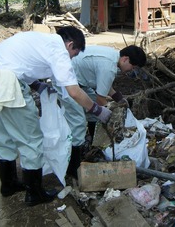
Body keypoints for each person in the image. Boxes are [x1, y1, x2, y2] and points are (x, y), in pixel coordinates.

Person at [0, 27, 112, 206]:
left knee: (1, 136)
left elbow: (22, 62)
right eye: (74, 54)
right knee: (31, 140)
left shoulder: (38, 39)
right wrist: (97, 110)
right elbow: (74, 92)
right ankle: (35, 193)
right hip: (6, 84)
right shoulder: (59, 51)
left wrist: (36, 85)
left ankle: (8, 184)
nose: (71, 58)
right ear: (70, 45)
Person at [54, 45, 147, 178]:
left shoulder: (112, 57)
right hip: (65, 82)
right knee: (79, 122)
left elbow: (104, 85)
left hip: (79, 81)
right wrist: (111, 115)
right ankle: (72, 168)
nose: (131, 71)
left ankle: (94, 147)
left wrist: (118, 98)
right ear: (125, 59)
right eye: (133, 67)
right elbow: (100, 100)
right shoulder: (109, 67)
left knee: (94, 114)